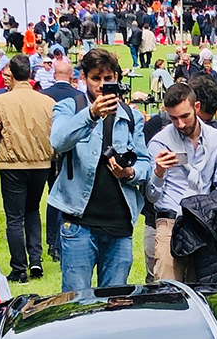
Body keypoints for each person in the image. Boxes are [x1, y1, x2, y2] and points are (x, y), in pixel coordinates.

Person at [47, 49, 149, 295]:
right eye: (95, 78)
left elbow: (146, 163)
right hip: (79, 222)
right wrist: (91, 114)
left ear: (117, 78)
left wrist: (130, 172)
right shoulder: (70, 107)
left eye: (108, 79)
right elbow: (58, 141)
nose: (102, 85)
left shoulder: (131, 116)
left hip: (120, 224)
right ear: (83, 78)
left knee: (114, 303)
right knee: (76, 302)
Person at [145, 79, 217, 283]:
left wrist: (214, 209)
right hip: (170, 219)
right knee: (168, 289)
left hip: (203, 220)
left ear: (197, 107)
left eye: (185, 116)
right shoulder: (160, 142)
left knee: (201, 290)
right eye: (174, 118)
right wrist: (159, 172)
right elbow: (152, 196)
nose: (180, 124)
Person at [0, 55, 55, 281]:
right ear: (30, 73)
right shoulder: (47, 101)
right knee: (33, 211)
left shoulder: (1, 101)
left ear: (11, 74)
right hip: (42, 163)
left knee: (14, 217)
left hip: (13, 164)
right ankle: (36, 261)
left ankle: (19, 267)